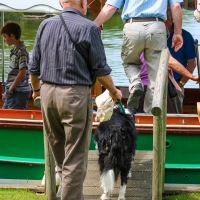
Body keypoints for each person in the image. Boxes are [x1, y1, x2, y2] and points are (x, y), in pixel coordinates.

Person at [29, 0, 122, 200]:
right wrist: (114, 91)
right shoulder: (90, 28)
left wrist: (36, 91)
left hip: (47, 94)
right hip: (74, 95)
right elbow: (100, 70)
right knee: (75, 158)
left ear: (61, 2)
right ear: (82, 3)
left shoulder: (45, 25)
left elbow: (34, 67)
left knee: (61, 155)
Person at [94, 0, 183, 113]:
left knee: (130, 62)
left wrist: (92, 26)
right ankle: (151, 115)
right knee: (156, 77)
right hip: (157, 26)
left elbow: (110, 6)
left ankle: (135, 83)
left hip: (133, 26)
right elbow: (176, 6)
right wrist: (178, 33)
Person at [165, 6, 196, 113]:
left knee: (175, 116)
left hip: (176, 84)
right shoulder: (153, 35)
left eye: (165, 18)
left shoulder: (186, 36)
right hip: (153, 84)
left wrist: (180, 85)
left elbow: (192, 64)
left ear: (172, 18)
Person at [1, 22, 31, 109]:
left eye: (5, 37)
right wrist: (7, 91)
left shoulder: (22, 51)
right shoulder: (15, 50)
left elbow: (23, 72)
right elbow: (13, 74)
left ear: (12, 36)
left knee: (12, 117)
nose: (4, 40)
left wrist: (11, 88)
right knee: (5, 116)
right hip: (13, 90)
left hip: (18, 91)